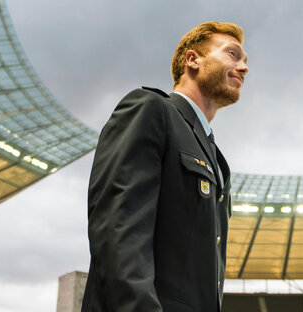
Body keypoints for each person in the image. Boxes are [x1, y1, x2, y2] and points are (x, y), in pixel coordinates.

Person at [81, 21, 249, 312]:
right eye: (233, 54)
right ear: (192, 59)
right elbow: (119, 235)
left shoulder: (216, 159)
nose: (244, 67)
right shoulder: (150, 109)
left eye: (245, 61)